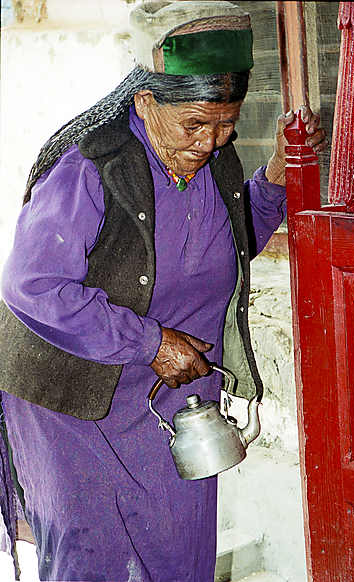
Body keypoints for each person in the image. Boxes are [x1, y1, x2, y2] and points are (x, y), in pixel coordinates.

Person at [0, 1, 327, 581]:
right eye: (195, 125)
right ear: (147, 101)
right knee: (90, 554)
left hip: (168, 394)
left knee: (181, 547)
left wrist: (276, 172)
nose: (210, 142)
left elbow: (228, 236)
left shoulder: (214, 157)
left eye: (226, 125)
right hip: (73, 398)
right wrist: (148, 342)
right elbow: (34, 284)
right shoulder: (89, 167)